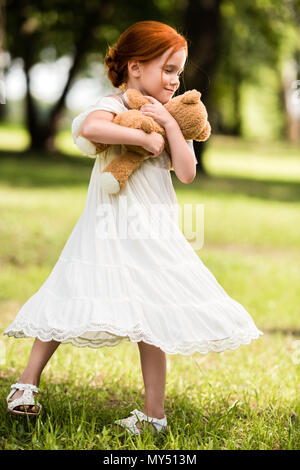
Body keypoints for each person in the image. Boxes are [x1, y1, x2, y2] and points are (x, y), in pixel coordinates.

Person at [3, 20, 263, 435]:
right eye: (168, 69)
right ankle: (26, 384)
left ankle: (153, 415)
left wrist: (171, 127)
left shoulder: (172, 116)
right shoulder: (115, 105)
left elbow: (188, 171)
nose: (175, 80)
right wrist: (143, 140)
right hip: (105, 227)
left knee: (153, 313)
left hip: (153, 231)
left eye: (179, 71)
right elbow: (89, 129)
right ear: (135, 67)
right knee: (70, 290)